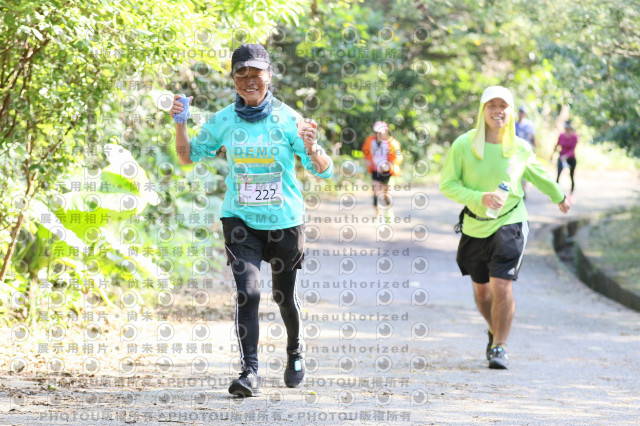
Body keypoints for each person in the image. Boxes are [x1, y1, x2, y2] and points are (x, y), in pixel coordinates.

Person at [171, 44, 333, 396]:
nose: (249, 81)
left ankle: (295, 351)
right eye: (241, 74)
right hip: (240, 220)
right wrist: (180, 125)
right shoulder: (223, 119)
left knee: (283, 297)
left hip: (285, 221)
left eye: (255, 74)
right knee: (248, 293)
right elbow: (187, 157)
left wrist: (312, 147)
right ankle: (250, 372)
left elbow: (324, 170)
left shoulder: (289, 119)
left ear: (269, 76)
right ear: (233, 80)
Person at [440, 86, 571, 369]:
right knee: (482, 292)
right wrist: (479, 198)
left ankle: (500, 345)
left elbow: (538, 175)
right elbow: (447, 184)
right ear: (482, 110)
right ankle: (494, 330)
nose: (498, 111)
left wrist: (559, 196)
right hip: (475, 225)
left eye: (503, 106)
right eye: (492, 105)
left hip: (510, 221)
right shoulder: (463, 145)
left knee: (501, 285)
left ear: (511, 112)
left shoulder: (520, 148)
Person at [361, 121, 403, 222]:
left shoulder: (392, 143)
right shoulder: (370, 141)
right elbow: (365, 153)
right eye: (377, 132)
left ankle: (388, 210)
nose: (378, 134)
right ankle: (378, 217)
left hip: (387, 172)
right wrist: (367, 162)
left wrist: (389, 165)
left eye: (381, 132)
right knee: (376, 193)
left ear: (386, 132)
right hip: (375, 171)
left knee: (386, 194)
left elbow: (398, 157)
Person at [552, 120, 578, 201]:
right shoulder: (562, 136)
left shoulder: (574, 137)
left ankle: (571, 195)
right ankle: (555, 194)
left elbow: (572, 150)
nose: (567, 130)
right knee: (558, 175)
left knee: (571, 176)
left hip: (571, 159)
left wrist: (566, 156)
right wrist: (552, 154)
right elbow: (557, 145)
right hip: (561, 158)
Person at [515, 106, 536, 198]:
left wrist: (534, 150)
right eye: (520, 112)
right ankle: (518, 189)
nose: (521, 114)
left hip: (526, 152)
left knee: (524, 171)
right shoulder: (514, 124)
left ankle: (523, 190)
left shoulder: (529, 125)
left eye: (522, 112)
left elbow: (533, 138)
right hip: (516, 152)